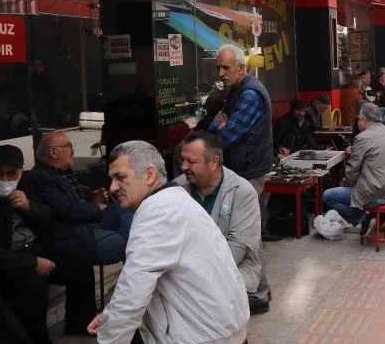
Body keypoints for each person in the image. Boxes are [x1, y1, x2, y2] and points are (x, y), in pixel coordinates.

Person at [87, 141, 249, 343]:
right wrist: (111, 315)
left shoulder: (157, 211)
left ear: (149, 175)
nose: (112, 187)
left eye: (120, 177)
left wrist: (109, 338)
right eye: (111, 179)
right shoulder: (174, 201)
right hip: (221, 330)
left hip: (203, 336)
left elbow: (133, 291)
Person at [0, 144, 96, 342]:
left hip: (36, 250)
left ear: (20, 173)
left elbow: (47, 216)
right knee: (33, 285)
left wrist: (28, 206)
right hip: (10, 263)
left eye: (11, 174)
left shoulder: (23, 190)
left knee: (79, 264)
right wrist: (34, 263)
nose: (4, 180)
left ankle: (81, 326)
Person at [206, 43, 276, 308]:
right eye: (218, 67)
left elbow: (226, 135)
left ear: (242, 68)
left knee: (247, 235)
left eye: (226, 67)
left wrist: (221, 125)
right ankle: (256, 290)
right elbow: (217, 124)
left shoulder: (249, 94)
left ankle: (258, 293)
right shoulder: (236, 90)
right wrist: (219, 123)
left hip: (249, 171)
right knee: (246, 233)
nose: (221, 73)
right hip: (243, 169)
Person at [174, 131, 268, 315]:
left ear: (214, 162)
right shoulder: (177, 189)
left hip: (231, 269)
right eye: (183, 160)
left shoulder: (242, 192)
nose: (184, 166)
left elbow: (238, 248)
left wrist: (198, 279)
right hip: (187, 272)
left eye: (191, 161)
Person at [21, 131, 132, 266]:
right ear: (53, 152)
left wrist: (92, 199)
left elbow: (75, 204)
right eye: (69, 146)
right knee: (130, 243)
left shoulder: (61, 173)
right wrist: (96, 207)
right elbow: (66, 210)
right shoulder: (41, 177)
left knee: (124, 205)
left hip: (86, 225)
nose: (73, 150)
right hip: (70, 237)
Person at [322, 103, 385, 236]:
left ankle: (364, 219)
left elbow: (351, 172)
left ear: (363, 120)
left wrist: (349, 187)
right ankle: (377, 218)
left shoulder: (362, 138)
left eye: (358, 119)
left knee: (328, 196)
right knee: (363, 185)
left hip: (379, 194)